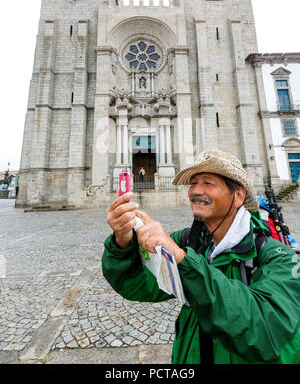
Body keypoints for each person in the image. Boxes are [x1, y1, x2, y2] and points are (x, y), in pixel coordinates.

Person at [102, 150, 300, 364]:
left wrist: (183, 261)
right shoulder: (189, 242)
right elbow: (138, 283)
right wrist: (122, 242)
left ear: (239, 196)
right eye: (193, 183)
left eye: (208, 183)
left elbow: (267, 333)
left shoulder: (279, 256)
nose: (195, 191)